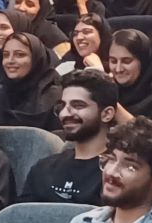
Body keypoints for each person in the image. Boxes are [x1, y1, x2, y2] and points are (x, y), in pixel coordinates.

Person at [22, 74, 120, 205]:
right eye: (62, 106)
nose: (64, 114)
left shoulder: (118, 172)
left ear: (107, 114)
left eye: (78, 106)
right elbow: (21, 215)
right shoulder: (42, 169)